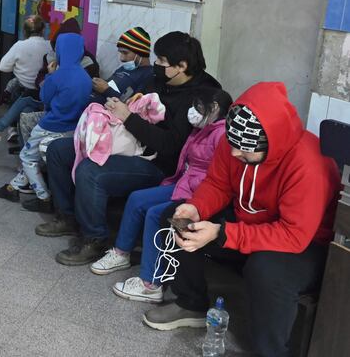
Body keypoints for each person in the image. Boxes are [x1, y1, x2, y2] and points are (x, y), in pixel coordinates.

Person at [143, 82, 339, 357]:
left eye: (244, 150)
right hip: (251, 222)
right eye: (233, 145)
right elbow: (218, 184)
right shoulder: (235, 142)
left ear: (270, 144)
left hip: (305, 243)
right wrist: (196, 207)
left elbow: (294, 235)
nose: (235, 154)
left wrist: (222, 233)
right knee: (176, 218)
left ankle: (271, 352)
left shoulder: (308, 163)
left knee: (267, 268)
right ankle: (191, 302)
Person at [36, 31, 221, 265]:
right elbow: (136, 104)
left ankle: (95, 239)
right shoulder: (159, 80)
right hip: (130, 143)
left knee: (90, 171)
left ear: (182, 66)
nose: (156, 64)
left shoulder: (203, 96)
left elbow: (171, 145)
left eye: (162, 61)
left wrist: (128, 118)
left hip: (159, 165)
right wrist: (118, 108)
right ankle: (67, 217)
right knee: (59, 150)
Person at [90, 88, 231, 303]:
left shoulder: (221, 135)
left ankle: (150, 284)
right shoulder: (202, 129)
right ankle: (121, 253)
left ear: (215, 108)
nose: (193, 111)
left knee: (156, 214)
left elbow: (216, 177)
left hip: (199, 193)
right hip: (184, 184)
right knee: (137, 199)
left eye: (199, 107)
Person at [0, 33, 92, 213]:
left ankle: (43, 197)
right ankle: (13, 188)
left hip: (51, 125)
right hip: (73, 127)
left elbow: (44, 97)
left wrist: (50, 75)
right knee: (33, 155)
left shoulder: (58, 75)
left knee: (27, 157)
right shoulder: (85, 77)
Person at [0, 15, 52, 142]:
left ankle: (3, 129)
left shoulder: (20, 46)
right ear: (43, 30)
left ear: (24, 31)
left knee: (17, 91)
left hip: (29, 91)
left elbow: (3, 67)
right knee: (26, 107)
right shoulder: (49, 46)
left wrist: (18, 69)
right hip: (44, 91)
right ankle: (18, 135)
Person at [92, 27, 153, 104]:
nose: (121, 58)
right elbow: (109, 84)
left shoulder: (149, 75)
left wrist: (106, 90)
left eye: (125, 53)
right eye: (121, 53)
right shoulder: (124, 68)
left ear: (140, 53)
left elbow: (133, 106)